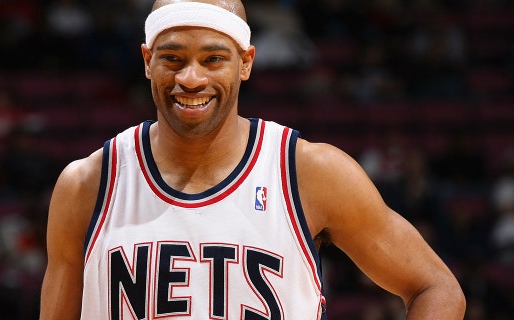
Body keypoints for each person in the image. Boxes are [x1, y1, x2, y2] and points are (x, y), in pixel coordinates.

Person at [40, 0, 466, 319]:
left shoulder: (309, 173)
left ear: (245, 63)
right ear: (147, 61)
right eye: (172, 58)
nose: (191, 78)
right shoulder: (87, 184)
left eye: (213, 59)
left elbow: (436, 288)